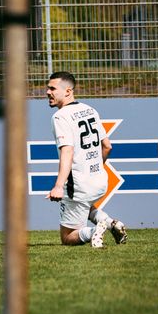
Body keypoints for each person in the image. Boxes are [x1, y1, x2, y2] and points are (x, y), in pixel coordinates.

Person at [46, 71, 127, 248]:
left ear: (68, 91)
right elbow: (107, 146)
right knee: (83, 206)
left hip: (78, 186)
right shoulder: (90, 110)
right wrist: (94, 168)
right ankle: (111, 223)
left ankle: (93, 232)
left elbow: (67, 151)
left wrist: (58, 186)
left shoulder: (60, 116)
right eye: (48, 88)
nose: (47, 92)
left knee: (67, 237)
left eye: (52, 88)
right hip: (99, 181)